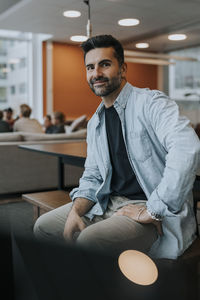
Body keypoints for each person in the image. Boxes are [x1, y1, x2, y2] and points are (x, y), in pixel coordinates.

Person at [34, 35, 200, 259]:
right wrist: (76, 210)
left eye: (105, 64)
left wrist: (154, 209)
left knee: (88, 242)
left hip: (149, 209)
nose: (96, 74)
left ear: (122, 69)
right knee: (43, 227)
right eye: (90, 67)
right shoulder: (95, 123)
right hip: (108, 203)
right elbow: (93, 175)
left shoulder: (151, 103)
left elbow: (186, 148)